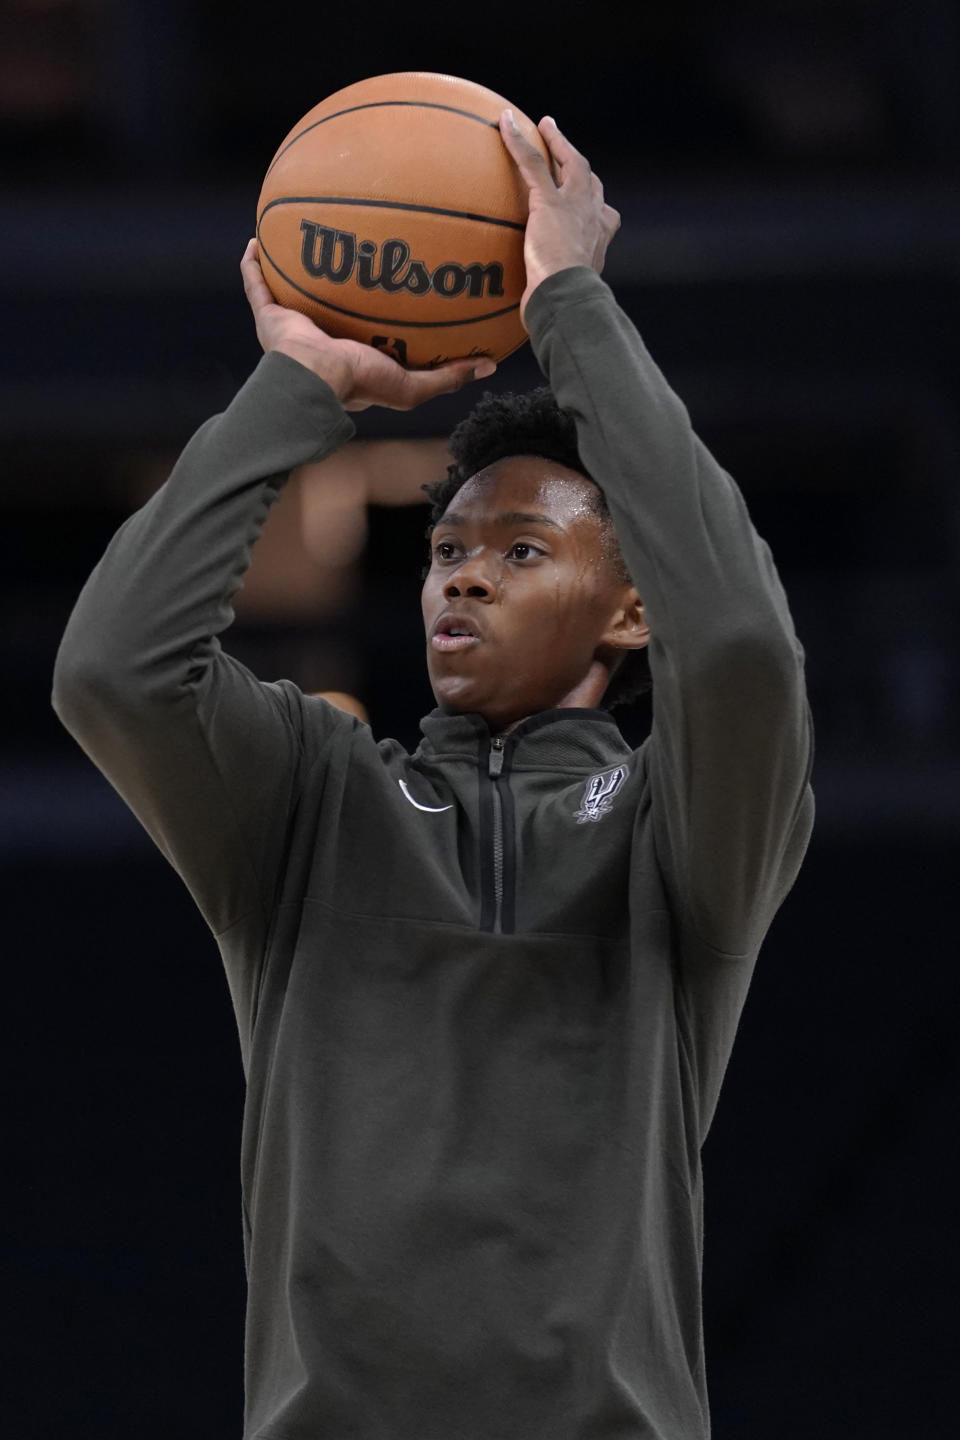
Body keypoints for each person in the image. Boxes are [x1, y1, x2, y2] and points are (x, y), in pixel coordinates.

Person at [52, 110, 814, 1440]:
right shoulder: (310, 796)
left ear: (633, 611)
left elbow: (743, 642)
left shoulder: (677, 829)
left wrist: (571, 303)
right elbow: (111, 672)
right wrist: (297, 385)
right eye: (448, 546)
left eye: (523, 550)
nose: (462, 570)